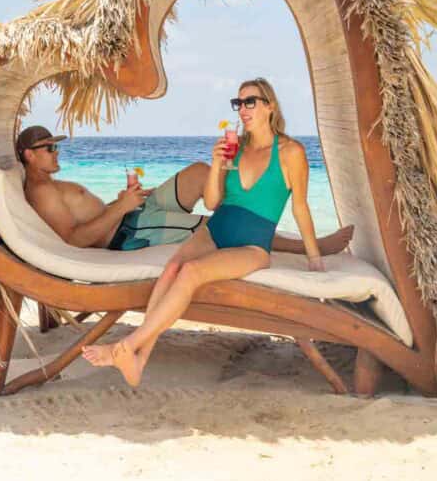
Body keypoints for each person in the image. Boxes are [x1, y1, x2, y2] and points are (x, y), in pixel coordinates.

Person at [82, 77, 331, 386]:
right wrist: (216, 164)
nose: (242, 110)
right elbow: (213, 202)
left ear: (270, 106)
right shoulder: (234, 148)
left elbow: (301, 208)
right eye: (238, 104)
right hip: (216, 229)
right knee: (172, 267)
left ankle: (127, 347)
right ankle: (139, 360)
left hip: (252, 245)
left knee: (190, 272)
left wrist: (314, 256)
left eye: (249, 102)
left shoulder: (291, 152)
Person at [17, 124, 353, 255]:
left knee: (199, 173)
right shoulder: (43, 193)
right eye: (49, 148)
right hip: (127, 230)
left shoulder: (53, 185)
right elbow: (74, 240)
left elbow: (86, 218)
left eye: (56, 146)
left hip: (130, 213)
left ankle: (243, 207)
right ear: (30, 155)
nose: (56, 152)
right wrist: (121, 209)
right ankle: (305, 246)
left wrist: (121, 201)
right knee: (215, 228)